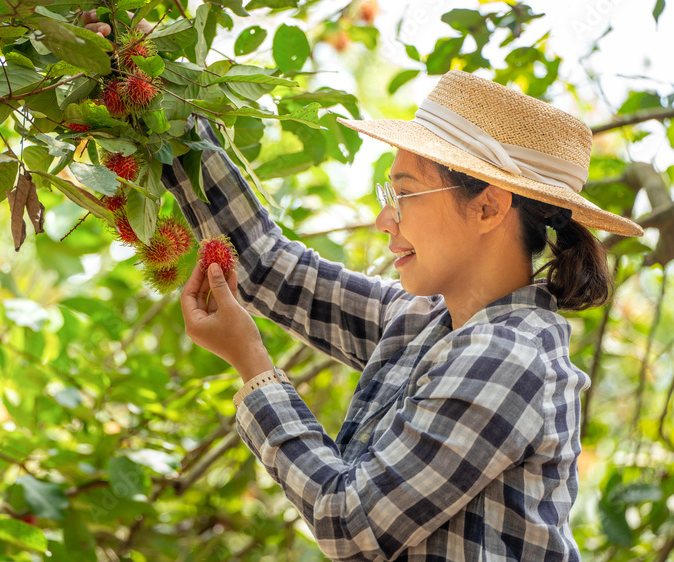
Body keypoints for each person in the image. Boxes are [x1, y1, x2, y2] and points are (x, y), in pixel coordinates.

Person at [81, 11, 644, 560]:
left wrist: (254, 367)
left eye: (404, 193)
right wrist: (146, 84)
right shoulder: (427, 324)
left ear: (489, 207)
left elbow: (348, 523)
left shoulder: (510, 357)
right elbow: (266, 265)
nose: (385, 220)